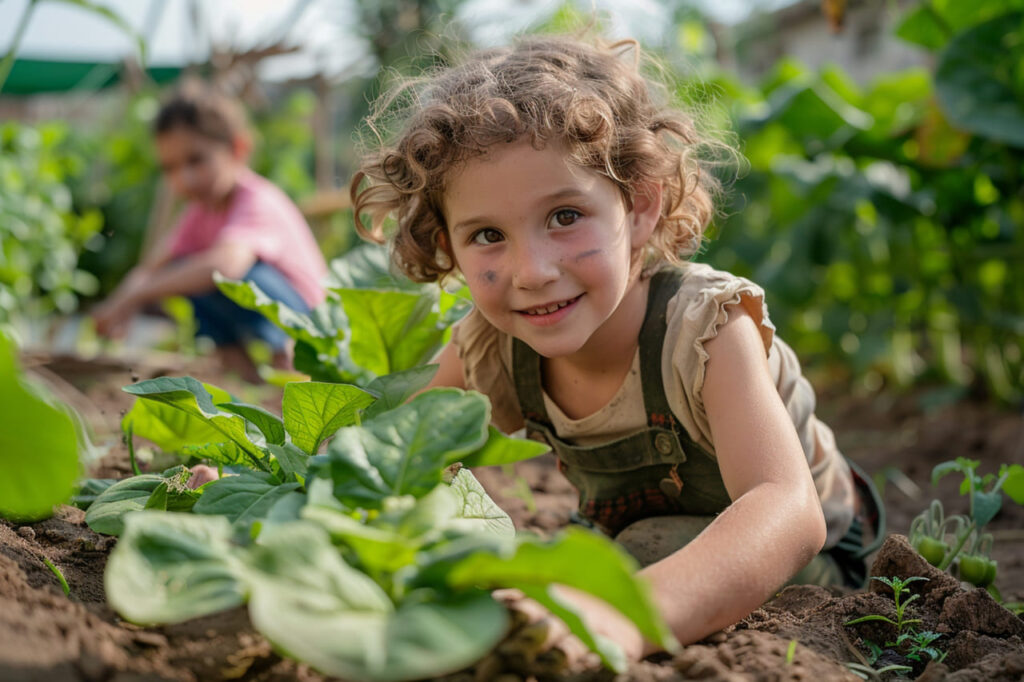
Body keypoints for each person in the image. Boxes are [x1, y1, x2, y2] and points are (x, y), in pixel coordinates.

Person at [350, 35, 883, 660]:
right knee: (564, 565)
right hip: (634, 537)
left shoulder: (706, 327)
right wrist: (267, 497)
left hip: (813, 553)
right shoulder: (490, 346)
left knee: (636, 553)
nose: (533, 271)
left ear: (640, 207)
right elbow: (393, 461)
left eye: (565, 217)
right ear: (448, 246)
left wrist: (619, 618)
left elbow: (788, 510)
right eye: (488, 234)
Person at [92, 82, 328, 381]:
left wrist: (141, 294)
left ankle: (296, 377)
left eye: (196, 160)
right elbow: (153, 266)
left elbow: (226, 266)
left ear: (237, 149)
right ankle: (250, 386)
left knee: (233, 275)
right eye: (170, 168)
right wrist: (119, 305)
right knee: (184, 278)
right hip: (274, 321)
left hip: (313, 327)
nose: (184, 179)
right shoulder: (199, 213)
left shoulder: (256, 200)